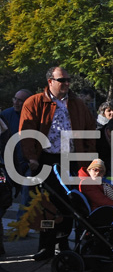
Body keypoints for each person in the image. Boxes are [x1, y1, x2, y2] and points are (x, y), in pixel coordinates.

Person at [19, 66, 96, 261]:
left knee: (70, 203)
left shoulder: (77, 104)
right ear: (50, 82)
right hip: (46, 159)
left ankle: (63, 245)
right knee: (48, 206)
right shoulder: (35, 102)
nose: (67, 83)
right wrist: (32, 158)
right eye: (62, 80)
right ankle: (46, 246)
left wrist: (88, 158)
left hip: (71, 159)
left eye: (68, 80)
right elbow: (26, 133)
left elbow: (90, 131)